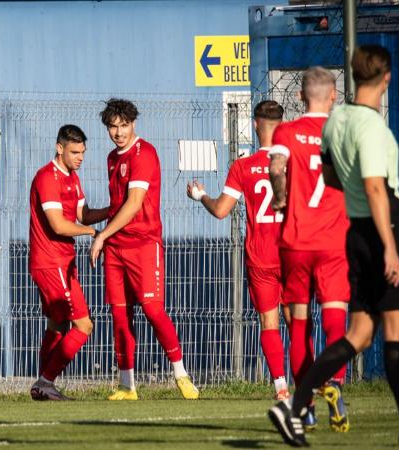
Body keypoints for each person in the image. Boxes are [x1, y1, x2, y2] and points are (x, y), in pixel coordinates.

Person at [268, 44, 399, 448]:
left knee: (359, 334)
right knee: (396, 330)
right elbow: (371, 184)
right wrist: (390, 242)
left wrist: (385, 193)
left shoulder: (338, 123)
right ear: (386, 78)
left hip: (351, 234)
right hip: (380, 229)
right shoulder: (369, 125)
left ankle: (296, 406)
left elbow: (337, 178)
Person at [89, 98, 199, 401]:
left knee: (152, 309)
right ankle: (127, 385)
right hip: (116, 249)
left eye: (123, 125)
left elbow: (134, 203)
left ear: (133, 124)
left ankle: (181, 374)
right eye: (113, 126)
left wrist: (101, 236)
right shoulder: (112, 157)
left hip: (143, 244)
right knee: (120, 316)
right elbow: (116, 206)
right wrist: (93, 219)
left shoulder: (144, 153)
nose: (119, 132)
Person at [188, 100, 291, 400]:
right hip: (292, 253)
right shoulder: (294, 162)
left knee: (269, 323)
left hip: (260, 257)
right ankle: (311, 384)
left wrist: (201, 195)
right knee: (298, 321)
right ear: (282, 126)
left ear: (256, 125)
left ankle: (281, 388)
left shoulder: (243, 166)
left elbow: (221, 211)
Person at [267, 67, 350, 432]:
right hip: (334, 241)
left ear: (300, 97)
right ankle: (335, 381)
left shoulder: (286, 131)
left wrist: (282, 199)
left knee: (299, 323)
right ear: (333, 96)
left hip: (296, 241)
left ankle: (306, 404)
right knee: (336, 315)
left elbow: (276, 168)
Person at [28, 125, 109, 400]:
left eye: (83, 152)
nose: (80, 158)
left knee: (58, 326)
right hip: (51, 263)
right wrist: (92, 234)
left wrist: (114, 209)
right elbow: (58, 225)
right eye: (74, 152)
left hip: (63, 263)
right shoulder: (46, 178)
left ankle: (42, 387)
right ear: (59, 147)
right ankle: (46, 381)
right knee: (83, 325)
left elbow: (82, 214)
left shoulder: (72, 178)